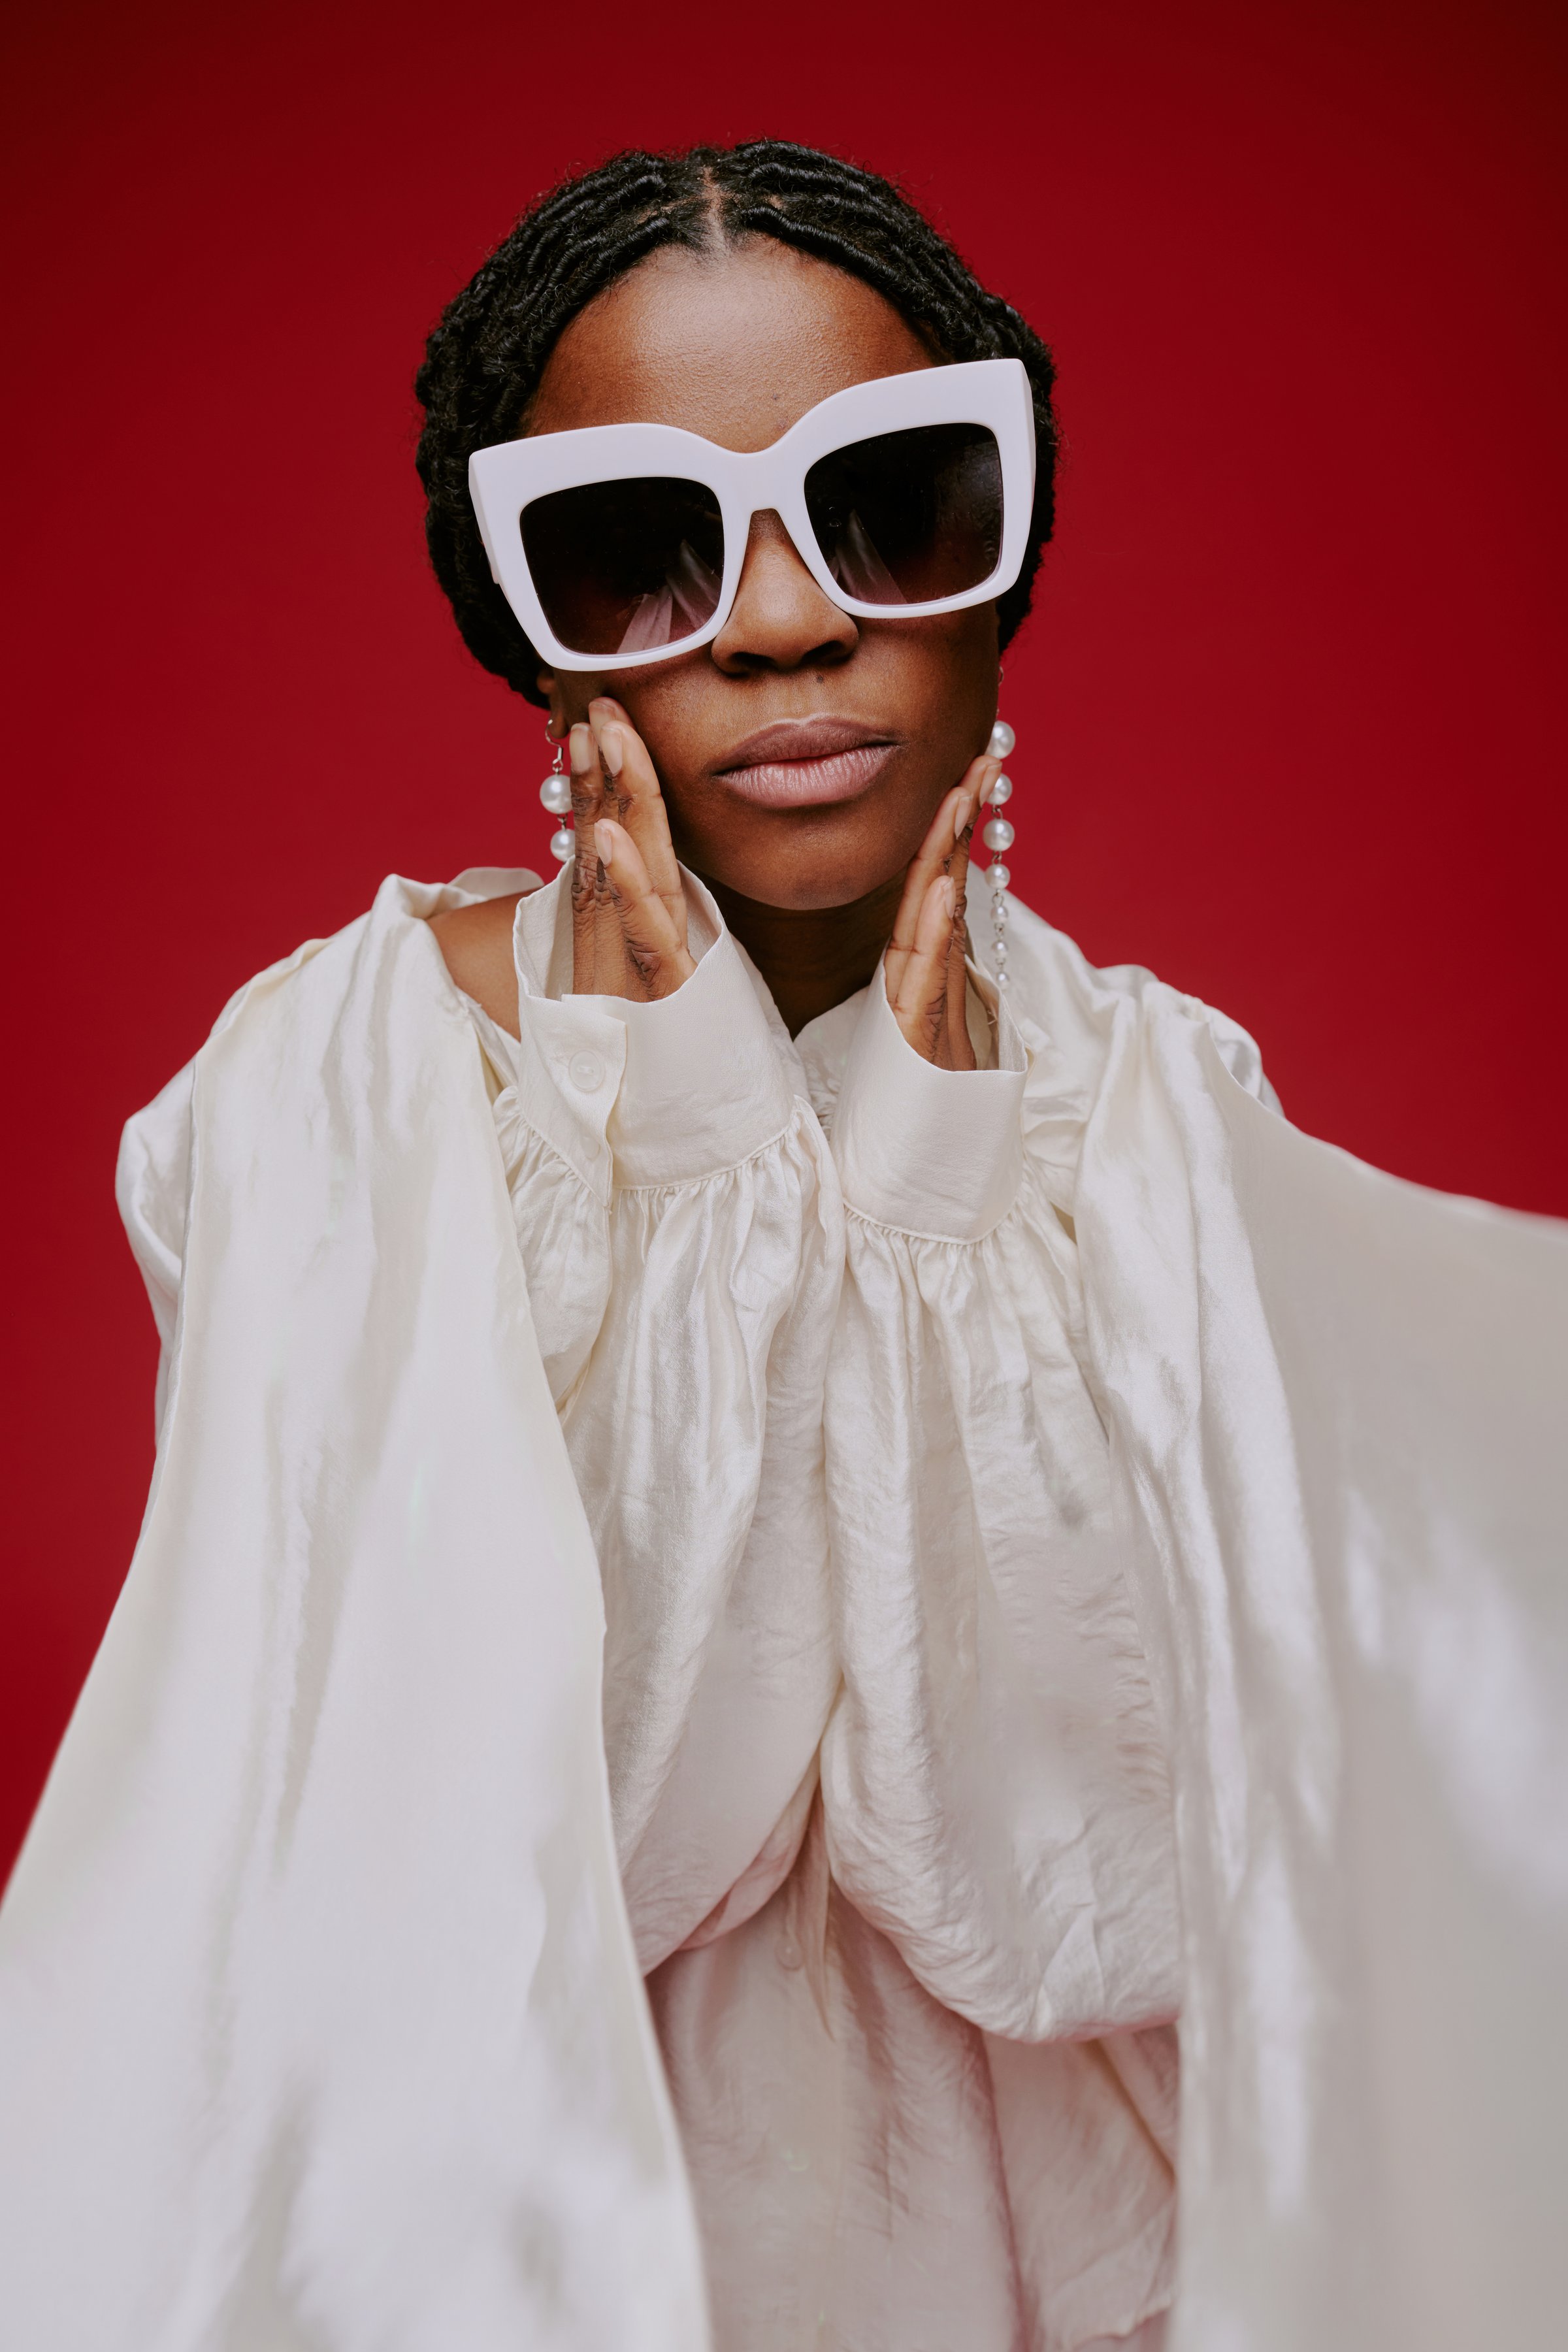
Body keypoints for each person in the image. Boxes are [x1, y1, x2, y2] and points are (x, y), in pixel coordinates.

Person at [1, 140, 1564, 2352]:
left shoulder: (1150, 1101)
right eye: (634, 553)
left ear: (1002, 567)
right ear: (513, 625)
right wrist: (711, 1156)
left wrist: (920, 1180)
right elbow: (478, 1884)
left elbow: (1093, 1898)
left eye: (894, 501)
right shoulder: (335, 1091)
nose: (782, 619)